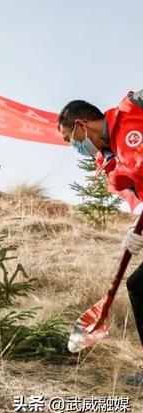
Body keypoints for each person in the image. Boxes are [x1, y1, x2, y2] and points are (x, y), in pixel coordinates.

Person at [58, 90, 143, 384]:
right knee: (140, 286)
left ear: (82, 125)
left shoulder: (133, 108)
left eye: (71, 138)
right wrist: (135, 231)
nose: (75, 146)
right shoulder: (110, 165)